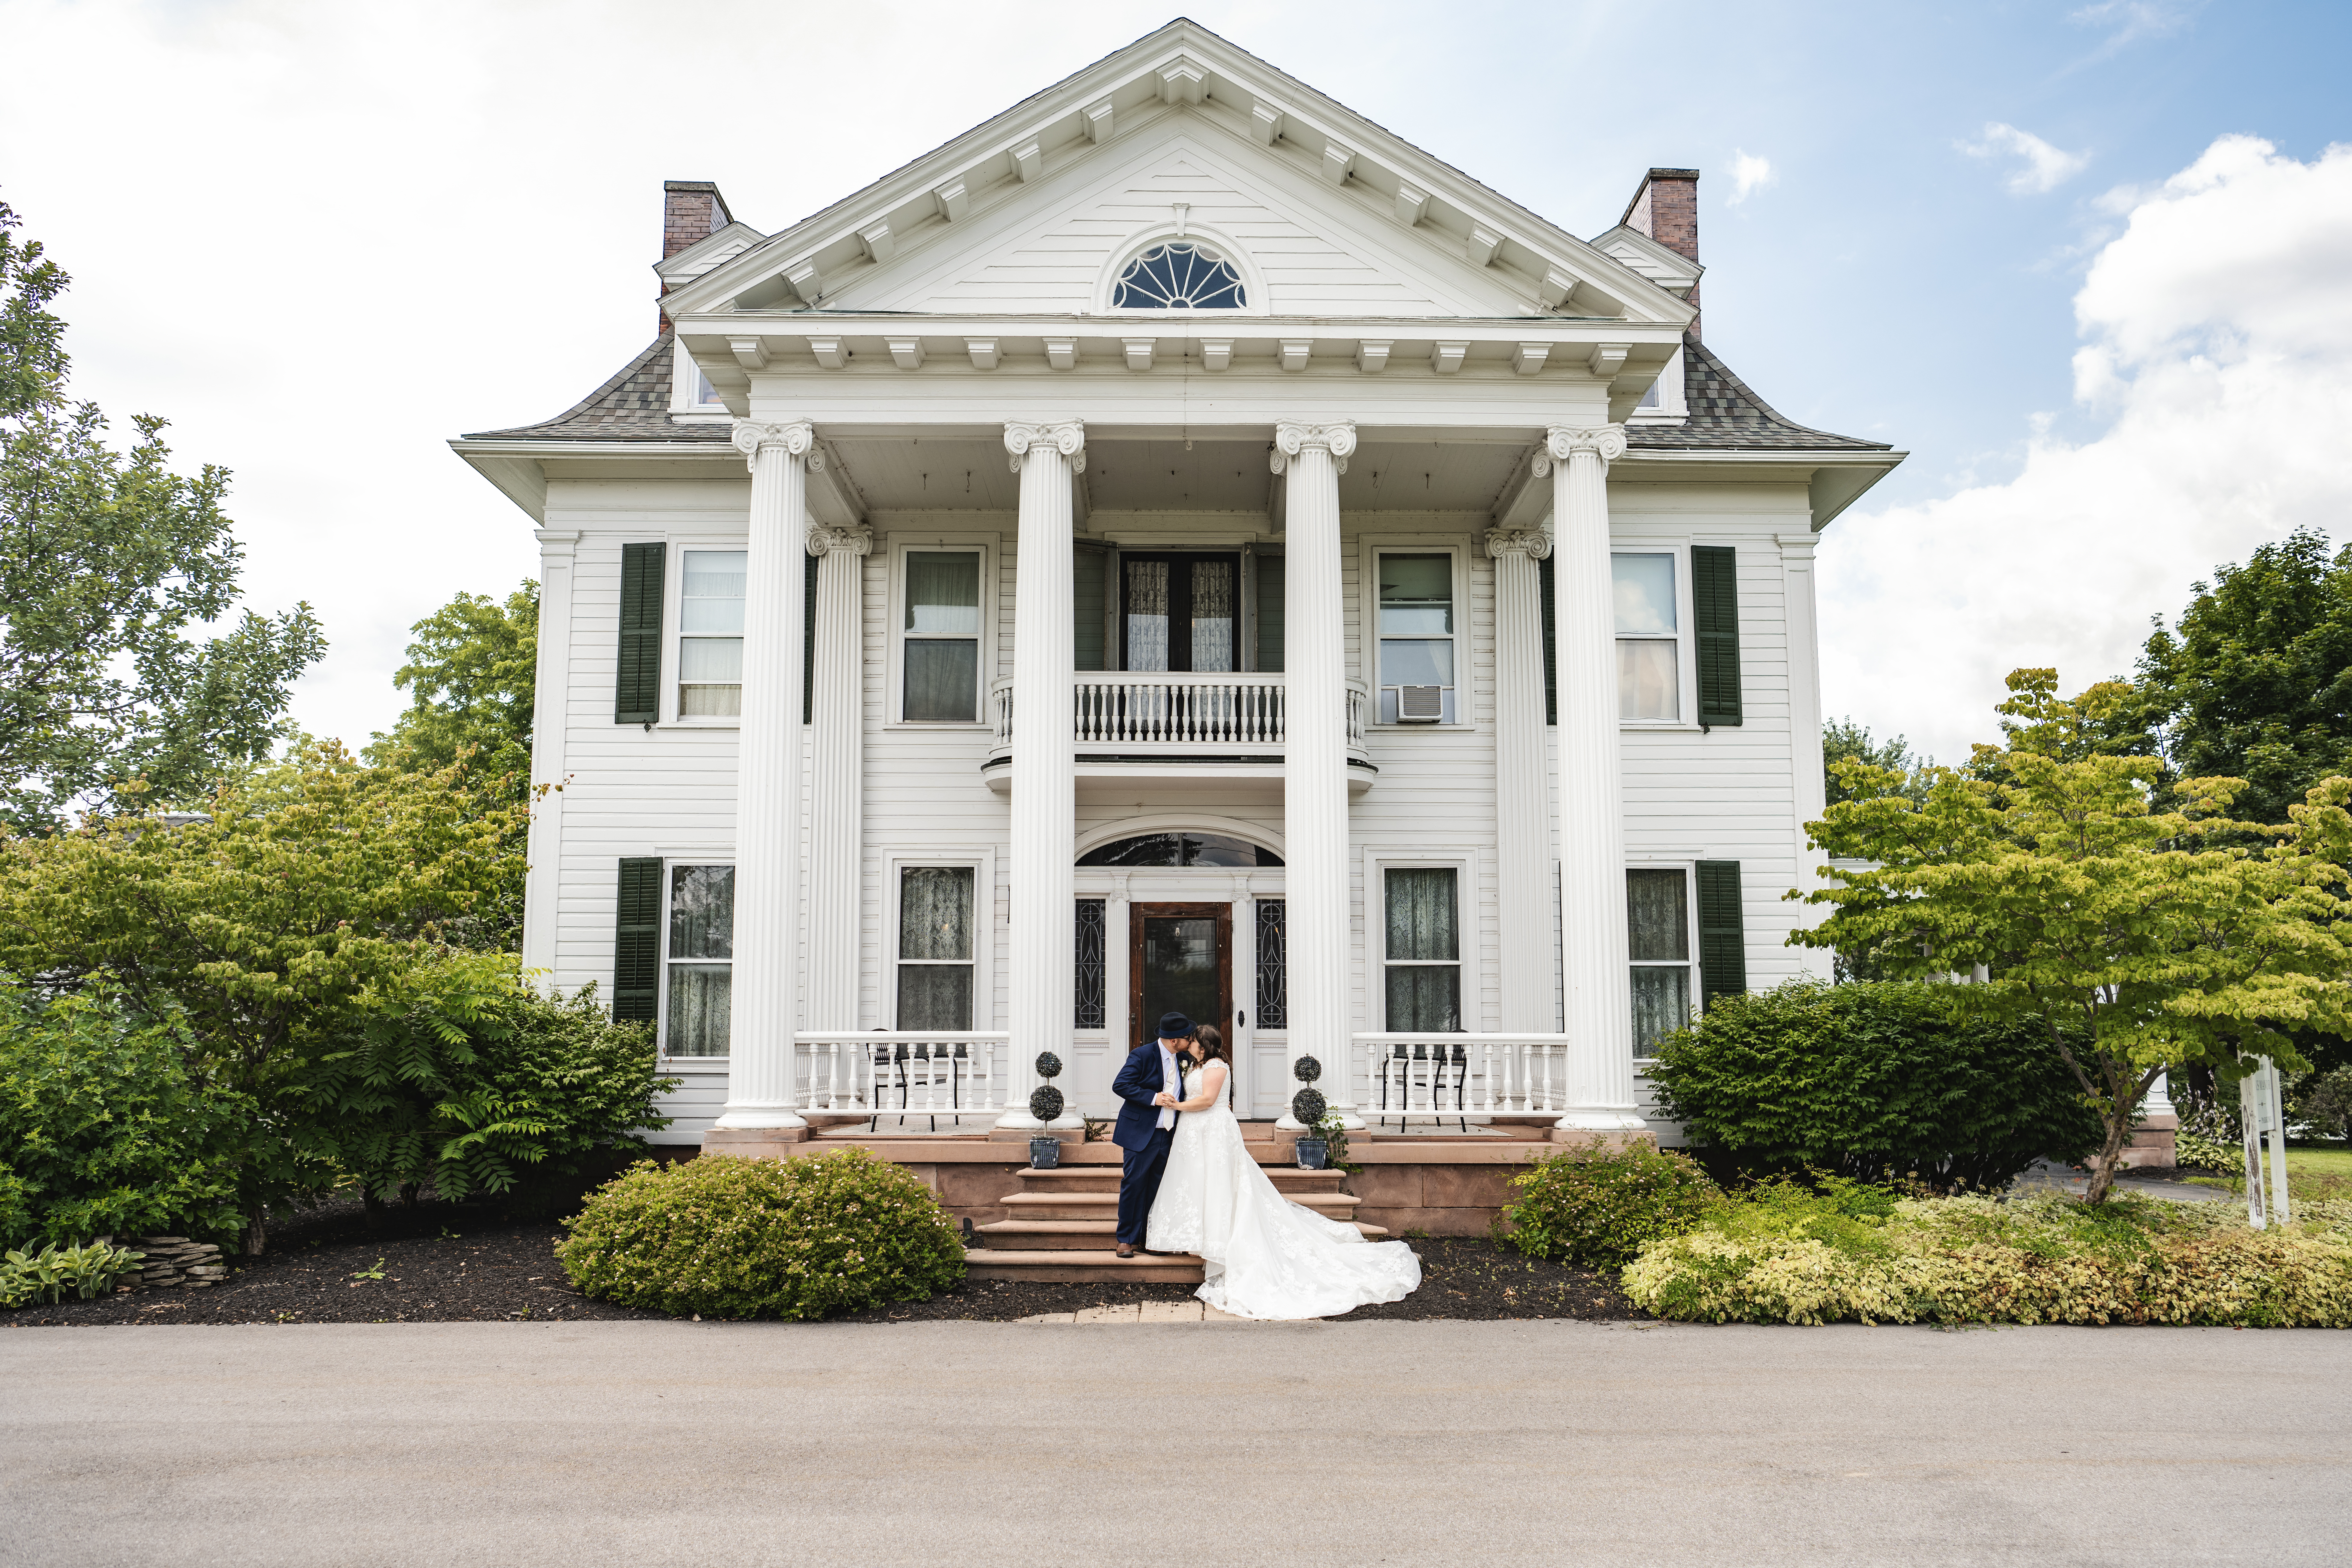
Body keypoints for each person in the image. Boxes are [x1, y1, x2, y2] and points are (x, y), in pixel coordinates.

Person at [1145, 1025, 1422, 1319]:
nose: (1189, 1043)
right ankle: (1199, 1239)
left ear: (1204, 1045)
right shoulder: (1196, 1064)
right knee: (1198, 1182)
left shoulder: (1216, 1066)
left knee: (1218, 1183)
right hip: (1195, 1130)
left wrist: (1178, 1106)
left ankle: (1218, 1240)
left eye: (1194, 1040)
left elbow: (1210, 1101)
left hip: (1212, 1129)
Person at [1107, 1011, 1194, 1260]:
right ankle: (1126, 1240)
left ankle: (1150, 1238)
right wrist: (1154, 1098)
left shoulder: (1184, 1059)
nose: (1191, 1041)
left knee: (1158, 1188)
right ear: (1175, 1040)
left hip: (1169, 1135)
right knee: (1134, 1185)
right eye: (1188, 1038)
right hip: (1140, 1132)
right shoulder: (1142, 1055)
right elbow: (1121, 1085)